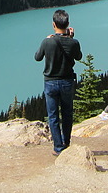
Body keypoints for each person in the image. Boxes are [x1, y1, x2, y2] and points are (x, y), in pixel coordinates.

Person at [34, 9, 82, 155]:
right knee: (67, 113)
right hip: (67, 82)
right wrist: (71, 38)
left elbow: (37, 57)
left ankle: (58, 147)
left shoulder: (47, 41)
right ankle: (66, 142)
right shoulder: (73, 42)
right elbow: (79, 57)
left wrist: (47, 40)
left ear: (53, 24)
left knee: (53, 115)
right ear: (67, 24)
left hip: (50, 83)